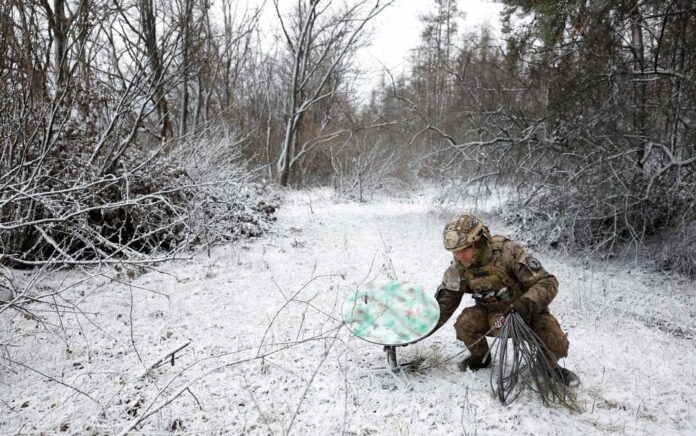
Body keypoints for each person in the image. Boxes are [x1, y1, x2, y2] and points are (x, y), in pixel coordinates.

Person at [432, 213, 579, 386]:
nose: (460, 257)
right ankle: (481, 358)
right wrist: (412, 333)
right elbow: (443, 306)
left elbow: (547, 281)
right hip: (492, 317)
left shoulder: (507, 253)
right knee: (465, 323)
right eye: (455, 252)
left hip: (526, 313)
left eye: (465, 249)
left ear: (479, 242)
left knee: (555, 339)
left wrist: (526, 303)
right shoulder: (458, 269)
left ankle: (548, 368)